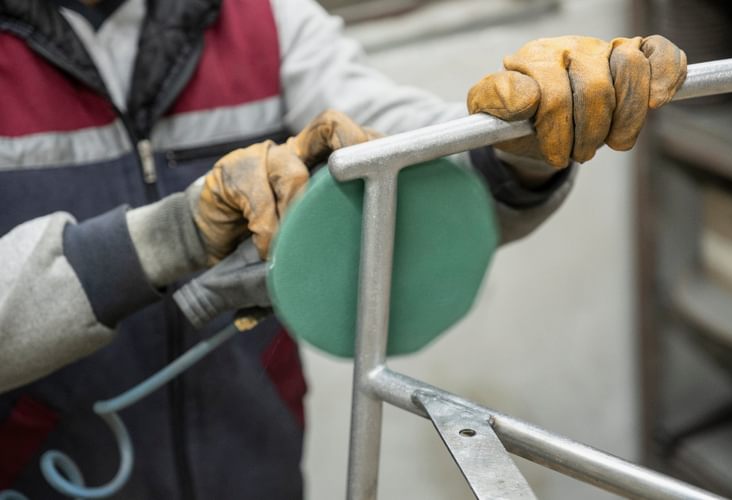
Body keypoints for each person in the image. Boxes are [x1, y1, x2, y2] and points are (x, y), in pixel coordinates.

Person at [0, 0, 686, 497]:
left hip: (255, 467)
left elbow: (395, 147)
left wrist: (517, 149)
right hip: (48, 468)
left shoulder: (266, 20)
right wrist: (169, 236)